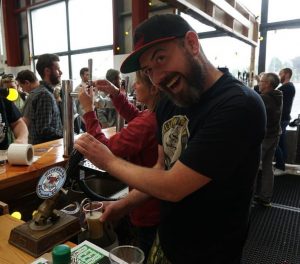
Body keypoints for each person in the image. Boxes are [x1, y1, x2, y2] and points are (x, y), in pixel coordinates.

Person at [75, 14, 266, 264]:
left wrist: (108, 161)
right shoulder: (169, 103)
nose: (158, 77)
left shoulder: (238, 105)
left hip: (211, 253)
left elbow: (173, 186)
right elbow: (160, 168)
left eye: (161, 58)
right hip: (166, 240)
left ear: (192, 43)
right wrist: (123, 205)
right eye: (149, 70)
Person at [78, 71, 160, 261]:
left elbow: (105, 149)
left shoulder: (147, 123)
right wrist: (116, 94)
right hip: (156, 204)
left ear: (154, 88)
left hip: (146, 209)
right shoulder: (156, 114)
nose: (134, 86)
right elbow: (137, 116)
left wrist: (89, 111)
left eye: (138, 82)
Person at [22, 54, 63, 144]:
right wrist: (66, 134)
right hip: (45, 151)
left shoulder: (39, 92)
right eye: (57, 69)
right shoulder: (44, 95)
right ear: (47, 71)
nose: (61, 72)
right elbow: (44, 129)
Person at [255, 73, 282, 207]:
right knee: (267, 166)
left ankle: (246, 200)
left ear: (268, 84)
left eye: (262, 81)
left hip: (264, 138)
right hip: (275, 135)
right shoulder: (278, 95)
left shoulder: (264, 99)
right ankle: (266, 198)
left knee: (252, 167)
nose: (259, 83)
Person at [274, 68, 296, 176]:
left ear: (287, 74)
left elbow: (272, 94)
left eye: (280, 73)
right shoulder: (289, 87)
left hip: (282, 119)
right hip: (284, 118)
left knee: (275, 142)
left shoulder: (287, 87)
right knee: (281, 142)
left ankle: (280, 166)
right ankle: (283, 164)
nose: (279, 76)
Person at [74, 67, 89, 133]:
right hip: (83, 118)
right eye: (87, 75)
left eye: (89, 75)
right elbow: (75, 105)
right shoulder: (78, 88)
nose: (89, 76)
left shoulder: (91, 86)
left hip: (92, 115)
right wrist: (80, 119)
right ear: (81, 76)